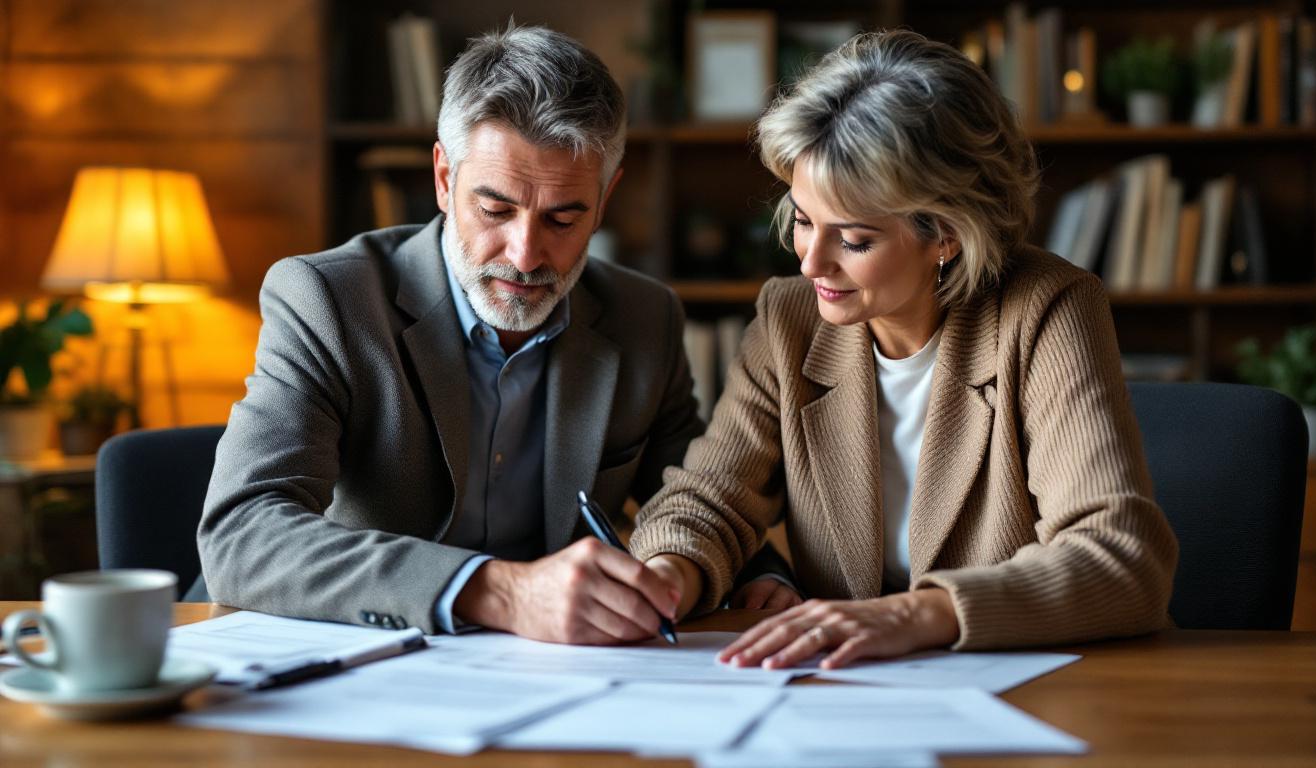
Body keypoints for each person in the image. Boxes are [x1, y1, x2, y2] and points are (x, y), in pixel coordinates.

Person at [198, 23, 798, 644]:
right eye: (495, 210)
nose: (525, 254)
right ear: (443, 178)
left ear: (605, 199)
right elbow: (242, 534)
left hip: (548, 670)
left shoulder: (644, 317)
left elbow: (697, 496)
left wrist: (757, 574)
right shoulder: (327, 300)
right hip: (341, 654)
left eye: (563, 219)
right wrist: (499, 591)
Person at [631, 29, 1179, 669]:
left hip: (1031, 685)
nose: (811, 263)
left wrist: (915, 615)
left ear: (946, 234)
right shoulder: (788, 319)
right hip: (846, 687)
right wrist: (667, 575)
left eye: (853, 241)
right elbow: (709, 501)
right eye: (803, 220)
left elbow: (1121, 558)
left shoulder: (1046, 309)